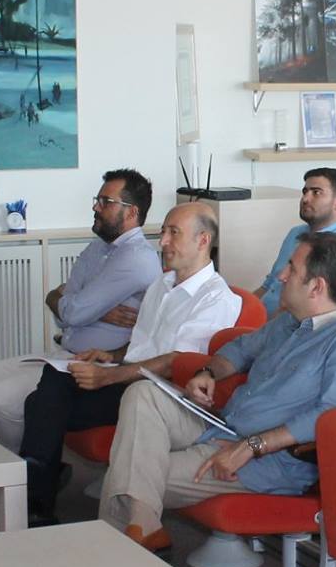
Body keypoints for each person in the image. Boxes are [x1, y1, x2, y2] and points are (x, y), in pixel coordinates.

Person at [100, 232, 336, 550]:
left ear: (316, 287)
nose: (281, 275)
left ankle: (119, 548)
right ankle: (142, 534)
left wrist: (252, 446)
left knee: (131, 477)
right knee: (143, 394)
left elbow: (333, 415)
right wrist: (208, 372)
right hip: (223, 424)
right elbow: (241, 349)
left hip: (265, 461)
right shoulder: (290, 321)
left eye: (291, 268)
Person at [16, 203, 242, 523]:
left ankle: (34, 502)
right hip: (129, 377)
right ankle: (35, 499)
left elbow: (176, 364)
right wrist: (112, 356)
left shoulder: (216, 299)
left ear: (203, 240)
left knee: (44, 404)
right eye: (163, 232)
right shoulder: (162, 284)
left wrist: (109, 376)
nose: (162, 242)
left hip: (160, 397)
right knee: (51, 383)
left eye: (173, 233)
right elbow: (143, 342)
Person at [0, 169, 160, 449]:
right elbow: (65, 309)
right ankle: (19, 460)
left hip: (98, 364)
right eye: (97, 200)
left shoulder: (137, 259)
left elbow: (72, 310)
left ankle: (24, 467)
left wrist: (72, 304)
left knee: (4, 398)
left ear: (131, 212)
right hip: (65, 354)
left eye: (105, 201)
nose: (96, 207)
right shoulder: (97, 247)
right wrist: (86, 307)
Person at [258, 167, 336, 313]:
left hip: (289, 323)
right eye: (305, 192)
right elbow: (268, 286)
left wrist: (262, 324)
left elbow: (324, 310)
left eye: (316, 192)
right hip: (261, 315)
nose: (305, 199)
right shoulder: (296, 233)